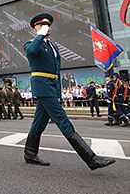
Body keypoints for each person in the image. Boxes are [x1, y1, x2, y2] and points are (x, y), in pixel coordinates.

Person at [23, 13, 115, 170]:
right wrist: (40, 35)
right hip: (43, 87)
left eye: (49, 25)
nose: (47, 28)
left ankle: (30, 154)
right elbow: (31, 52)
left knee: (39, 122)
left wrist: (57, 89)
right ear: (35, 29)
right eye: (42, 25)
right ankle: (90, 158)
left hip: (52, 86)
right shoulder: (31, 43)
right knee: (62, 119)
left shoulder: (53, 46)